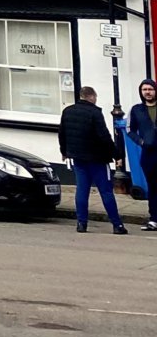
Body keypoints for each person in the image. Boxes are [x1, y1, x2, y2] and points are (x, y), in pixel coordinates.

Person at [58, 86, 128, 234]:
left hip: (77, 157)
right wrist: (117, 155)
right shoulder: (95, 113)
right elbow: (104, 136)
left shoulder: (68, 111)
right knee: (106, 191)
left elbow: (62, 133)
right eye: (95, 97)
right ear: (91, 97)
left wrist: (64, 151)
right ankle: (117, 225)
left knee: (82, 190)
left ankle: (81, 223)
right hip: (98, 159)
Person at [129, 79, 157, 234]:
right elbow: (129, 129)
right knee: (153, 187)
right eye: (144, 89)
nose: (147, 92)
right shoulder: (136, 110)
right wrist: (140, 141)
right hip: (149, 154)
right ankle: (154, 219)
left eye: (150, 89)